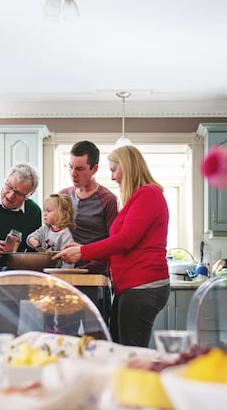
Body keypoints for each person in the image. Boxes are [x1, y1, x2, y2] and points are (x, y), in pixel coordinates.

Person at [53, 145, 170, 347]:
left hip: (142, 286)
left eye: (114, 170)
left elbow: (125, 240)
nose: (113, 177)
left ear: (128, 167)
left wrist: (82, 252)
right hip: (131, 287)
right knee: (119, 349)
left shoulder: (148, 194)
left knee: (131, 353)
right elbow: (121, 246)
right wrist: (82, 249)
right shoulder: (138, 198)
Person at [59, 140, 119, 275]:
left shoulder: (108, 200)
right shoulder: (62, 196)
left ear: (95, 169)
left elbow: (113, 246)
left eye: (80, 169)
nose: (73, 173)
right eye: (70, 167)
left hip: (94, 277)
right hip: (64, 273)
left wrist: (84, 271)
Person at [0, 163, 42, 265]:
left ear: (29, 195)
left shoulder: (33, 212)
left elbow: (33, 250)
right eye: (9, 187)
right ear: (5, 180)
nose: (11, 195)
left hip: (13, 271)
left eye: (19, 193)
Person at [26, 193, 76, 268]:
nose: (44, 214)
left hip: (57, 273)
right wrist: (33, 239)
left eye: (49, 211)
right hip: (42, 270)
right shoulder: (44, 229)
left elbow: (68, 259)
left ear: (62, 213)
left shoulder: (65, 235)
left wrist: (64, 274)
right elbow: (32, 236)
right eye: (44, 211)